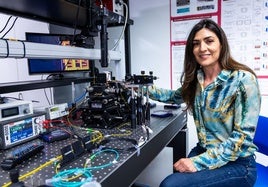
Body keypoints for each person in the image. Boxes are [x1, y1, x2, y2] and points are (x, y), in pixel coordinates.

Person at [148, 19, 261, 187]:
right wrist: (139, 88)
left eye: (209, 41)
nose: (202, 48)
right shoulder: (196, 81)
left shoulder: (243, 80)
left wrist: (197, 162)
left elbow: (241, 140)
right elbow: (173, 96)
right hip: (204, 150)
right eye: (196, 44)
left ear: (221, 44)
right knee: (176, 175)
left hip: (238, 163)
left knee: (171, 184)